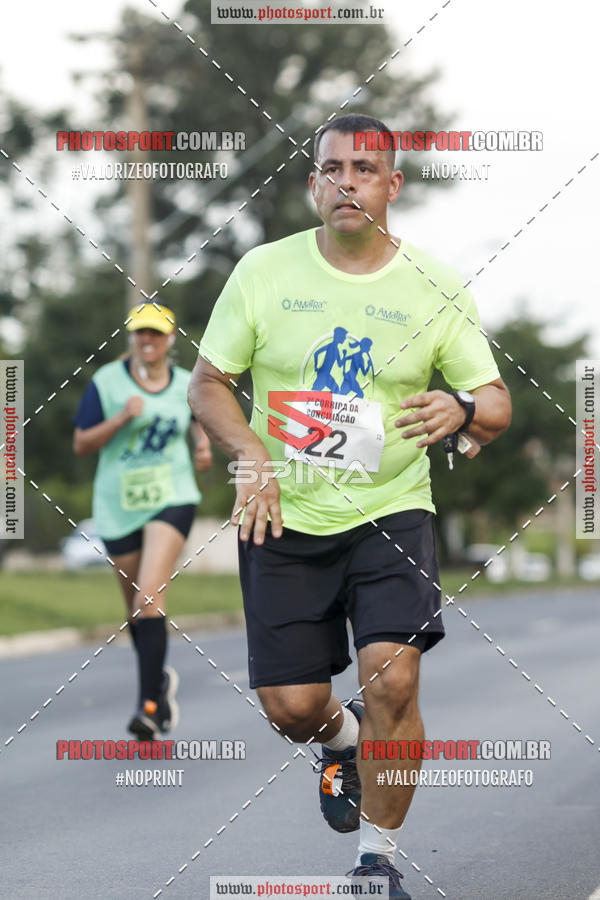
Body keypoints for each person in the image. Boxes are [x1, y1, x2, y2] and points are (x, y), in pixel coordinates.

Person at [188, 113, 511, 897]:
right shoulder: (264, 272)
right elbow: (209, 384)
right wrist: (251, 453)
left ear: (392, 185)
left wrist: (464, 410)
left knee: (392, 681)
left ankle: (377, 863)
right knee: (291, 707)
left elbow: (496, 403)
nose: (347, 182)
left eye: (364, 169)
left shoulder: (434, 284)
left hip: (391, 510)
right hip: (283, 514)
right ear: (313, 185)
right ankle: (339, 740)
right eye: (332, 168)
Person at [73, 302, 212, 741]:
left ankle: (148, 707)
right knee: (135, 610)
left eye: (155, 333)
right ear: (132, 338)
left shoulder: (187, 382)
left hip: (172, 497)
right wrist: (120, 418)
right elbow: (81, 444)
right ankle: (159, 684)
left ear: (170, 340)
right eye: (140, 333)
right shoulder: (107, 382)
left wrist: (203, 443)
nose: (147, 340)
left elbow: (201, 418)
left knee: (149, 599)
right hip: (118, 505)